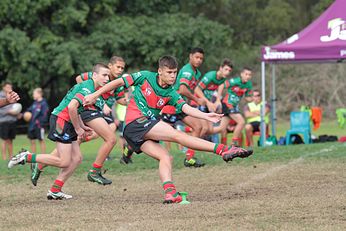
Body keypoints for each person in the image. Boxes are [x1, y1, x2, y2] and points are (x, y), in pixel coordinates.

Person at [84, 56, 253, 203]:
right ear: (160, 71)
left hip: (139, 131)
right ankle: (223, 150)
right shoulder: (144, 77)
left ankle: (170, 193)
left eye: (175, 72)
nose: (173, 76)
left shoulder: (171, 93)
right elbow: (119, 82)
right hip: (135, 123)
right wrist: (95, 95)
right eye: (169, 72)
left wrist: (206, 116)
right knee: (176, 135)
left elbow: (186, 108)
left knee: (166, 157)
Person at [8, 63, 111, 200]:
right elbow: (71, 107)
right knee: (64, 161)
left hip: (67, 121)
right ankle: (26, 157)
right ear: (94, 75)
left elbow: (78, 109)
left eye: (108, 76)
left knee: (76, 159)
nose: (107, 79)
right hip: (61, 121)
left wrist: (81, 125)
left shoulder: (91, 87)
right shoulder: (88, 89)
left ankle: (55, 190)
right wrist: (78, 128)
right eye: (104, 75)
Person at [30, 57, 126, 187]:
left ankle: (50, 181)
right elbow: (79, 81)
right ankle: (94, 171)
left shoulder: (117, 83)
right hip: (84, 110)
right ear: (110, 66)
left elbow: (121, 100)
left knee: (76, 155)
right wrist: (95, 99)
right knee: (110, 137)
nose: (120, 70)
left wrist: (134, 99)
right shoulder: (93, 81)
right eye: (117, 67)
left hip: (87, 112)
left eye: (122, 68)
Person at [163, 47, 210, 168]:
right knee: (160, 134)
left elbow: (192, 88)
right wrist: (196, 99)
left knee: (198, 127)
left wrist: (202, 98)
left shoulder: (197, 72)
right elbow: (183, 89)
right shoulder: (187, 71)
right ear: (190, 56)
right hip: (172, 105)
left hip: (181, 106)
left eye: (201, 58)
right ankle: (129, 150)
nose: (199, 60)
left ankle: (189, 158)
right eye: (196, 57)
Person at [212, 67, 254, 147]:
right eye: (246, 74)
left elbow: (247, 97)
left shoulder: (248, 85)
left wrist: (251, 99)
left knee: (221, 128)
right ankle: (234, 144)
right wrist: (218, 99)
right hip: (227, 104)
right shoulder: (235, 81)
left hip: (234, 106)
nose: (248, 76)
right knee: (241, 122)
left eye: (249, 75)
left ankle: (203, 131)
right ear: (242, 74)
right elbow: (221, 85)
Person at [194, 58, 233, 144]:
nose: (227, 72)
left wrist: (218, 100)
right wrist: (208, 102)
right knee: (203, 128)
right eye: (226, 69)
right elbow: (197, 90)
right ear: (220, 68)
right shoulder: (210, 76)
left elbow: (219, 91)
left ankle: (199, 144)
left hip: (208, 104)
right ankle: (190, 147)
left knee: (210, 130)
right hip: (200, 103)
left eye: (229, 70)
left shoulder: (222, 79)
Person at [26, 88, 49, 154]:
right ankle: (33, 157)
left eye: (34, 94)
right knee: (32, 141)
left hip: (39, 126)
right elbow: (28, 110)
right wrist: (23, 114)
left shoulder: (44, 103)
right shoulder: (34, 103)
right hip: (32, 125)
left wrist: (39, 122)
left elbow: (45, 115)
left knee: (41, 140)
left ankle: (43, 156)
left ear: (39, 94)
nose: (33, 95)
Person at [0, 82, 19, 160]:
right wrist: (9, 112)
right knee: (4, 139)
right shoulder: (0, 95)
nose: (9, 88)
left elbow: (15, 108)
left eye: (10, 87)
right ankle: (4, 157)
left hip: (12, 121)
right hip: (4, 121)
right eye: (7, 87)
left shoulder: (11, 95)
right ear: (3, 87)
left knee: (10, 140)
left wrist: (17, 113)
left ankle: (11, 157)